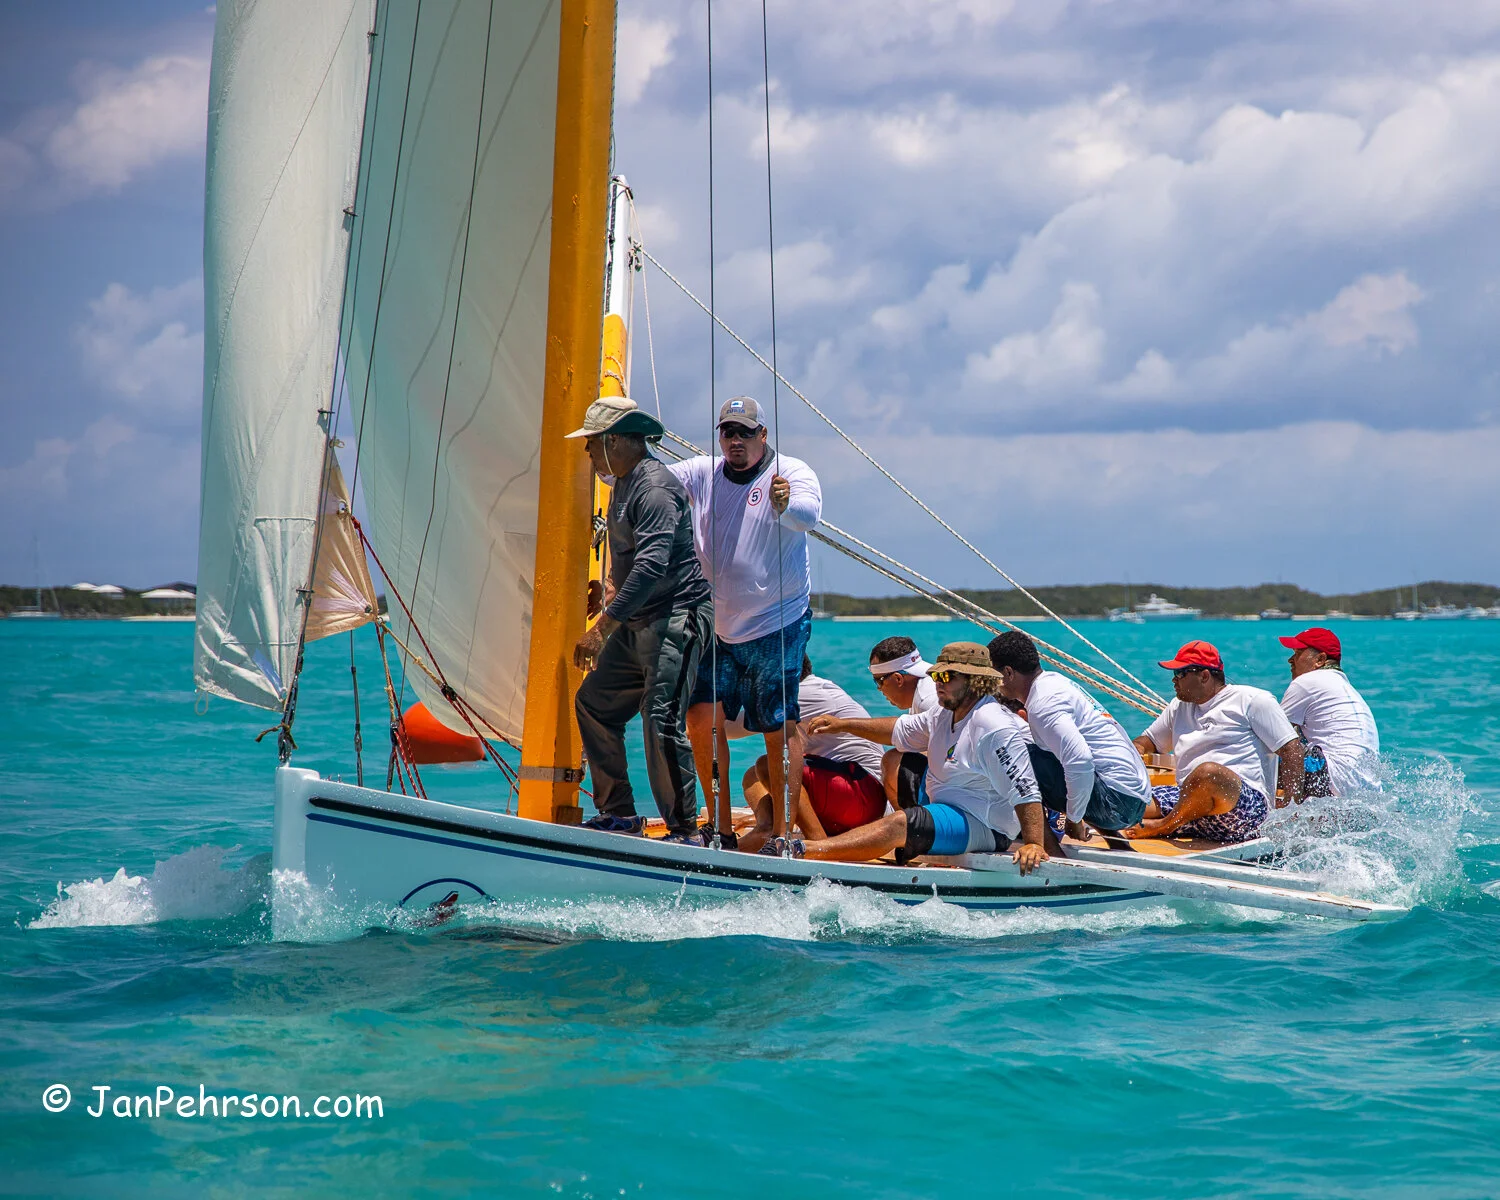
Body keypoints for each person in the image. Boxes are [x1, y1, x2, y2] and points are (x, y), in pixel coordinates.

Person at [668, 396, 823, 848]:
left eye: (744, 432)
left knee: (778, 726)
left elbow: (808, 517)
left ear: (763, 436)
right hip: (716, 623)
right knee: (699, 718)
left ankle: (783, 834)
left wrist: (786, 504)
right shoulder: (703, 472)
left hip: (776, 622)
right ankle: (719, 827)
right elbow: (654, 484)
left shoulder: (791, 472)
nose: (735, 441)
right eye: (727, 432)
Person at [566, 397, 714, 843]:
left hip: (675, 617)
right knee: (594, 704)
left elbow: (652, 566)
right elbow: (631, 561)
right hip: (637, 622)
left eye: (591, 444)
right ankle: (619, 814)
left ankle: (686, 829)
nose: (588, 453)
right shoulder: (623, 485)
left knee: (660, 717)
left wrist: (602, 629)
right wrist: (608, 589)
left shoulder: (652, 487)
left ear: (614, 442)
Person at [796, 643, 1056, 873]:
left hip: (984, 824)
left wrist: (1033, 843)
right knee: (896, 765)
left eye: (946, 676)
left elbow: (1024, 788)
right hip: (948, 807)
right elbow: (897, 729)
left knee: (900, 823)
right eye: (935, 675)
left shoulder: (993, 725)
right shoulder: (943, 714)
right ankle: (905, 842)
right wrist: (843, 724)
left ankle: (808, 852)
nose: (937, 683)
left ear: (974, 681)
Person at [1128, 640, 1303, 843]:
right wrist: (1137, 748)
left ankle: (1165, 825)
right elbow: (1149, 740)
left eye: (1180, 674)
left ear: (1204, 676)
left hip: (1244, 810)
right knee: (1125, 800)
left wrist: (1291, 811)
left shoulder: (1253, 700)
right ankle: (1179, 822)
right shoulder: (1178, 707)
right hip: (1188, 802)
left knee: (1208, 773)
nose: (1174, 680)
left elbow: (1292, 750)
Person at [987, 630, 1150, 839]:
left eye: (994, 676)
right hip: (1135, 800)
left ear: (1008, 673)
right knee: (1041, 754)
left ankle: (1044, 843)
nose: (993, 685)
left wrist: (1074, 819)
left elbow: (1080, 761)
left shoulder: (1042, 704)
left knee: (1014, 756)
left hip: (1117, 803)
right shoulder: (1054, 682)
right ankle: (1117, 842)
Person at [733, 656, 888, 854]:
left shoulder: (802, 694)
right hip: (854, 798)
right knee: (754, 775)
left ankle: (817, 844)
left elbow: (729, 728)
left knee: (768, 766)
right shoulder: (816, 688)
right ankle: (767, 827)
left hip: (864, 798)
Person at [1278, 627, 1381, 795]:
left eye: (1297, 653)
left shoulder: (1306, 681)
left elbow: (1273, 737)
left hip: (1333, 777)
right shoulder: (1348, 689)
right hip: (1368, 790)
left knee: (1249, 753)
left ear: (1320, 659)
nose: (1290, 660)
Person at [867, 636, 938, 811]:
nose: (878, 688)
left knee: (893, 761)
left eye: (878, 680)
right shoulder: (929, 685)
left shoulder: (927, 700)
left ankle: (912, 827)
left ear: (898, 679)